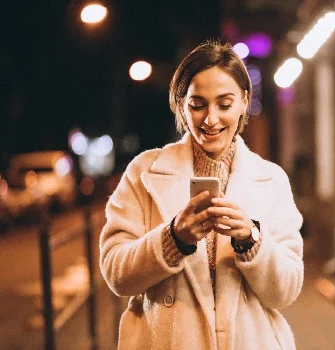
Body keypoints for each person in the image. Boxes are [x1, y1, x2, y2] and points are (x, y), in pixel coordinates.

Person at [99, 40, 304, 350]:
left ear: (244, 102)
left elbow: (285, 291)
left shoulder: (271, 179)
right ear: (182, 105)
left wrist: (251, 240)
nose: (210, 119)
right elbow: (117, 274)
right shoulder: (145, 172)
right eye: (198, 104)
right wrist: (172, 239)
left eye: (224, 104)